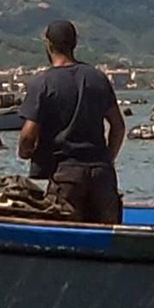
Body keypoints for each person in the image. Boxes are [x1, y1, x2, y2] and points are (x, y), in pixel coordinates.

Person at [18, 20, 126, 224]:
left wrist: (25, 152)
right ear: (75, 43)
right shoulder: (98, 78)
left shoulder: (43, 83)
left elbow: (28, 134)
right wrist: (107, 159)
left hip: (66, 176)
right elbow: (118, 126)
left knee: (62, 234)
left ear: (48, 45)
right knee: (106, 234)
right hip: (102, 175)